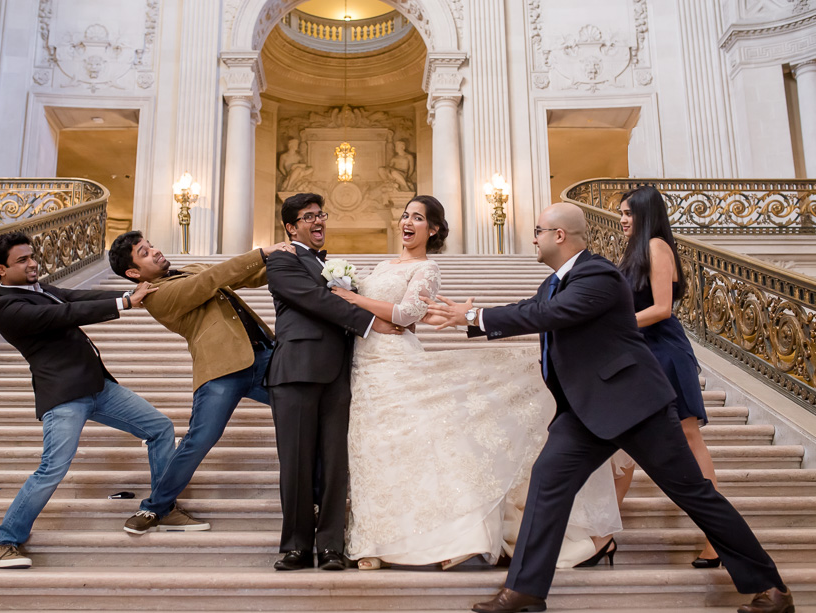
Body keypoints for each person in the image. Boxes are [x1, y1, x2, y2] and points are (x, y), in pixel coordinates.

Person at [424, 203, 793, 613]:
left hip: (636, 406)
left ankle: (772, 589)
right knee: (548, 480)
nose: (533, 238)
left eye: (537, 231)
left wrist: (474, 314)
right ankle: (525, 592)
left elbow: (551, 315)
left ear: (559, 236)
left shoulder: (597, 274)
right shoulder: (555, 282)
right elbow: (532, 309)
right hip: (585, 411)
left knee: (694, 495)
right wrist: (472, 318)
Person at [330, 195, 620, 571]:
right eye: (405, 215)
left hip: (395, 363)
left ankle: (450, 536)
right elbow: (384, 314)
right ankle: (374, 538)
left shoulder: (427, 269)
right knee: (369, 449)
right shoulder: (381, 265)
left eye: (418, 218)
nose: (408, 222)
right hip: (364, 365)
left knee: (409, 445)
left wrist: (354, 299)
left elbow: (405, 314)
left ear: (432, 229)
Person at [0, 231, 175, 569]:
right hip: (64, 395)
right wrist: (125, 303)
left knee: (160, 428)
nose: (32, 263)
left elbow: (76, 295)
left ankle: (161, 507)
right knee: (52, 468)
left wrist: (129, 293)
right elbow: (66, 314)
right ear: (1, 269)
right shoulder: (7, 306)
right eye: (22, 260)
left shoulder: (37, 289)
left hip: (96, 386)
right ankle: (3, 542)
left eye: (31, 256)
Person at [107, 232, 294, 534]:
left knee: (307, 411)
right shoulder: (158, 296)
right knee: (199, 439)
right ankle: (156, 508)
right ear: (133, 273)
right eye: (144, 253)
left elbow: (247, 276)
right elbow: (210, 281)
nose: (155, 251)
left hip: (264, 359)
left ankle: (313, 496)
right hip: (221, 370)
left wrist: (290, 261)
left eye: (151, 245)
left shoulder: (191, 268)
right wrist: (262, 252)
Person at [265, 192, 401, 571]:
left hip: (339, 373)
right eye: (308, 217)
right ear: (291, 227)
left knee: (335, 463)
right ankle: (295, 545)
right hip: (296, 371)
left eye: (320, 214)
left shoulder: (333, 264)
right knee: (296, 462)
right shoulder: (280, 260)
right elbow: (314, 298)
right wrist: (371, 322)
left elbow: (341, 297)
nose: (318, 221)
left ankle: (330, 546)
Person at [615, 185, 723, 567]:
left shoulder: (657, 246)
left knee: (689, 436)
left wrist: (614, 325)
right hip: (643, 352)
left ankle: (719, 538)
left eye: (629, 213)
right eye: (622, 212)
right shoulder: (634, 251)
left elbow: (662, 308)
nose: (623, 219)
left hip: (664, 350)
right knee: (623, 442)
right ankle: (600, 535)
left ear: (646, 214)